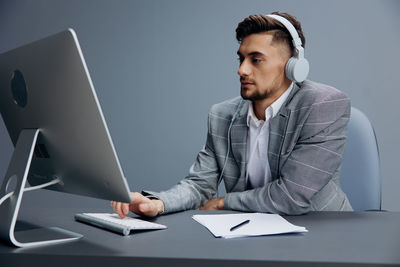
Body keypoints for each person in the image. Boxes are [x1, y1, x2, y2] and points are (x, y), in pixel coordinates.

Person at [111, 11, 353, 218]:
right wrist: (157, 203)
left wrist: (224, 202)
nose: (241, 70)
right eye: (241, 58)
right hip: (249, 236)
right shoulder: (222, 115)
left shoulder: (323, 105)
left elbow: (291, 196)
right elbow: (199, 185)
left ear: (293, 66)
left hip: (321, 233)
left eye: (256, 60)